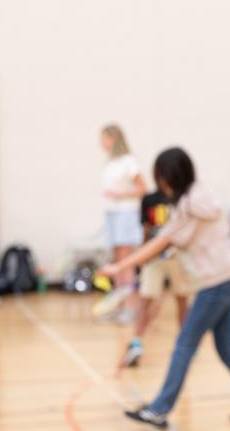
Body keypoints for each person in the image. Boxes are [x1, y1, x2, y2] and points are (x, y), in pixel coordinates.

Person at [102, 147, 230, 427]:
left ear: (168, 176)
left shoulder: (187, 206)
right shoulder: (200, 195)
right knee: (227, 348)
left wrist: (119, 267)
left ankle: (159, 409)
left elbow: (161, 242)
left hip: (215, 284)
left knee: (184, 344)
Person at [120, 190, 190, 368]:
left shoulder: (182, 199)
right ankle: (136, 344)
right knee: (145, 300)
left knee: (181, 299)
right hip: (154, 258)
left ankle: (185, 345)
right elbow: (146, 229)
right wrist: (143, 257)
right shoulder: (149, 200)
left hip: (177, 257)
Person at [92, 124, 146, 321]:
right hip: (112, 214)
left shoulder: (129, 162)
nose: (101, 143)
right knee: (116, 262)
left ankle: (130, 307)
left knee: (126, 262)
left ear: (114, 139)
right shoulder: (109, 163)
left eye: (104, 138)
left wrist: (120, 194)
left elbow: (142, 188)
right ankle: (119, 304)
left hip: (126, 213)